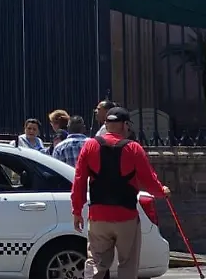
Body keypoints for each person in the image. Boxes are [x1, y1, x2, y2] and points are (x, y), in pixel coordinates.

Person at [71, 107, 170, 279]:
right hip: (126, 217)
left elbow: (79, 181)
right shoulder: (133, 148)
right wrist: (162, 191)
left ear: (106, 124)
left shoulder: (90, 146)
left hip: (98, 216)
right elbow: (149, 180)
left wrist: (77, 211)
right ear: (125, 125)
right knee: (128, 263)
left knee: (96, 262)